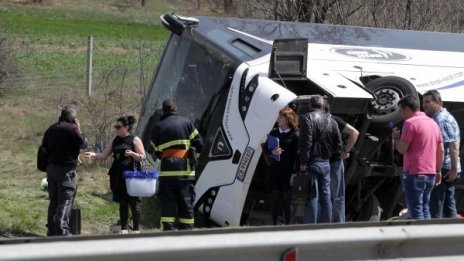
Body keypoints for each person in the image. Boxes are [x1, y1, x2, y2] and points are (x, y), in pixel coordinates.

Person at [84, 116, 146, 234]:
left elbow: (143, 157)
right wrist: (93, 154)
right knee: (122, 202)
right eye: (115, 127)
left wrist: (132, 154)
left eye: (118, 127)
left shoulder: (134, 139)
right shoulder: (115, 140)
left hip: (132, 176)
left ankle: (136, 230)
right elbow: (103, 155)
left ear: (126, 127)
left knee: (134, 202)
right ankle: (124, 229)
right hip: (118, 175)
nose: (116, 129)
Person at [151, 99, 204, 231]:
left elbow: (156, 152)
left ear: (163, 111)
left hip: (167, 174)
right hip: (185, 172)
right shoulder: (186, 122)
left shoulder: (157, 127)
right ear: (176, 109)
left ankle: (168, 231)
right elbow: (199, 144)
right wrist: (193, 156)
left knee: (167, 203)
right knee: (186, 203)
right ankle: (187, 231)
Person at [392, 95, 444, 220]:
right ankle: (429, 237)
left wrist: (396, 138)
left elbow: (402, 149)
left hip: (414, 172)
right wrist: (438, 170)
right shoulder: (433, 123)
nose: (401, 114)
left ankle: (419, 238)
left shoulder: (410, 123)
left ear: (407, 109)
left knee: (415, 211)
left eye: (401, 110)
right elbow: (441, 150)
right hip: (430, 173)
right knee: (425, 209)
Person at [40, 105, 88, 236]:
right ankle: (62, 230)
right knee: (66, 199)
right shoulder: (72, 129)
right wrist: (79, 128)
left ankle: (51, 230)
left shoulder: (51, 129)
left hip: (51, 168)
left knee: (54, 200)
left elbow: (44, 148)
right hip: (66, 170)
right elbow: (83, 143)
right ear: (73, 118)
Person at [298, 95, 343, 224]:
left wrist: (303, 162)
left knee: (312, 195)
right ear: (323, 105)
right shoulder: (332, 121)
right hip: (326, 163)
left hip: (312, 162)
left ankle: (310, 228)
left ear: (310, 105)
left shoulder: (307, 117)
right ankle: (326, 226)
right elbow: (339, 145)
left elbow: (306, 142)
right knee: (326, 197)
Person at [422, 90, 461, 218]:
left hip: (444, 168)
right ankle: (452, 234)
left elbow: (453, 146)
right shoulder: (440, 118)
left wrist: (454, 170)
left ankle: (436, 235)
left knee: (435, 207)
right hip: (447, 167)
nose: (424, 105)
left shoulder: (441, 120)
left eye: (428, 102)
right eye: (423, 102)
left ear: (437, 102)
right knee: (448, 205)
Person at [263, 107, 299, 225]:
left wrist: (294, 173)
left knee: (286, 200)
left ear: (288, 119)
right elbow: (266, 150)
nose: (278, 119)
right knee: (274, 198)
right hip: (275, 170)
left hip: (287, 172)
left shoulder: (295, 135)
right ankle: (273, 225)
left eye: (281, 117)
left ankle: (288, 225)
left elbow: (296, 157)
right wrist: (272, 153)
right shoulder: (273, 132)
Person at [324, 101, 359, 223]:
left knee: (336, 195)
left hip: (334, 162)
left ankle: (338, 223)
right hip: (327, 162)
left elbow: (354, 133)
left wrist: (345, 151)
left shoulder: (334, 120)